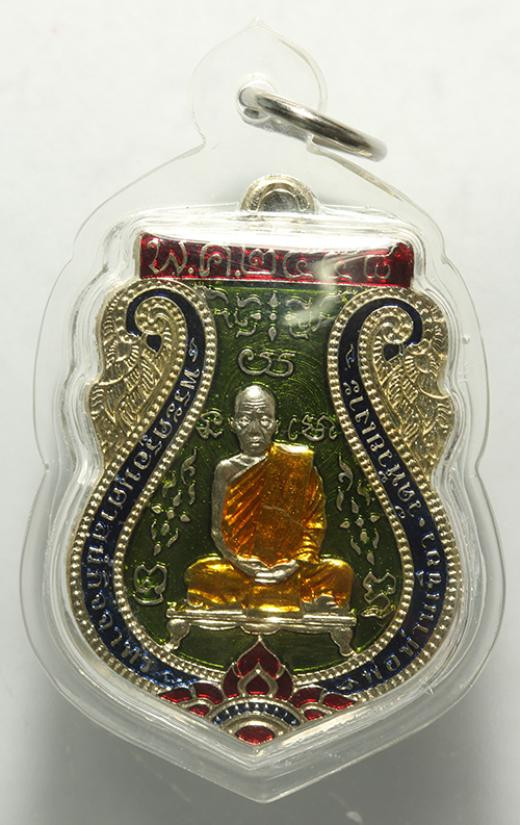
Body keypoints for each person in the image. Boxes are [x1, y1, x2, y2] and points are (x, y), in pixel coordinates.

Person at [185, 384, 353, 613]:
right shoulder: (226, 470)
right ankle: (297, 600)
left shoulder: (298, 465)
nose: (254, 429)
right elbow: (217, 531)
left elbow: (314, 527)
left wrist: (291, 566)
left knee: (339, 571)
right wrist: (242, 563)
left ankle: (259, 597)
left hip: (292, 570)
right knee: (202, 573)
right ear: (233, 424)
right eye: (245, 418)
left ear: (275, 425)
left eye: (264, 419)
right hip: (242, 570)